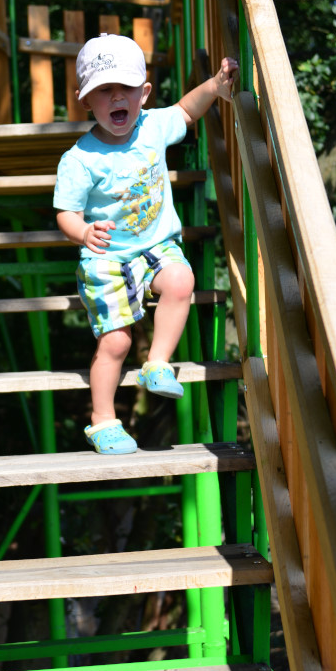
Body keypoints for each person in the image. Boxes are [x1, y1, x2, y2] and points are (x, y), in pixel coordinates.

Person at [53, 32, 238, 454]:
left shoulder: (152, 126)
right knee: (116, 341)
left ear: (145, 93)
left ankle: (156, 363)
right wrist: (82, 232)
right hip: (106, 256)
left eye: (127, 87)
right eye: (105, 90)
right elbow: (65, 213)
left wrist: (214, 86)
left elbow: (186, 111)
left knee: (180, 280)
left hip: (156, 244)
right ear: (86, 100)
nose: (117, 97)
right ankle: (103, 421)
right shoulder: (80, 160)